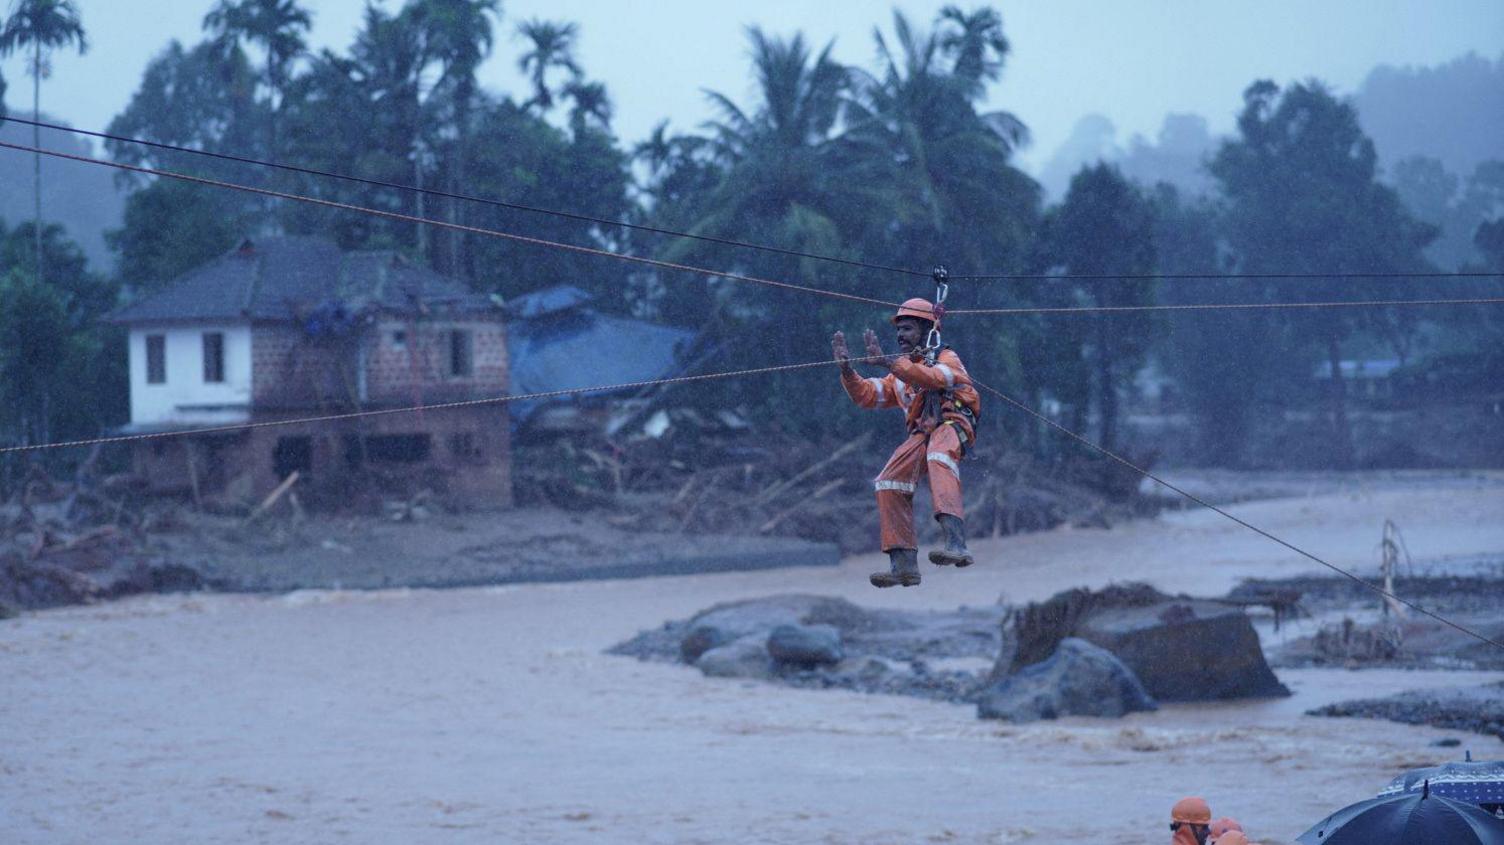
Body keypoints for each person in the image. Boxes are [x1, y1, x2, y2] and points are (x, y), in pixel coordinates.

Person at [832, 298, 981, 588]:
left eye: (909, 329)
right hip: (922, 433)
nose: (901, 336)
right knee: (888, 480)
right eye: (899, 330)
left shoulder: (946, 358)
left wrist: (891, 363)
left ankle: (956, 544)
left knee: (939, 456)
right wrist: (848, 373)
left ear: (927, 330)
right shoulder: (900, 375)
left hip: (952, 425)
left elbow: (937, 378)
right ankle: (903, 565)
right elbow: (867, 394)